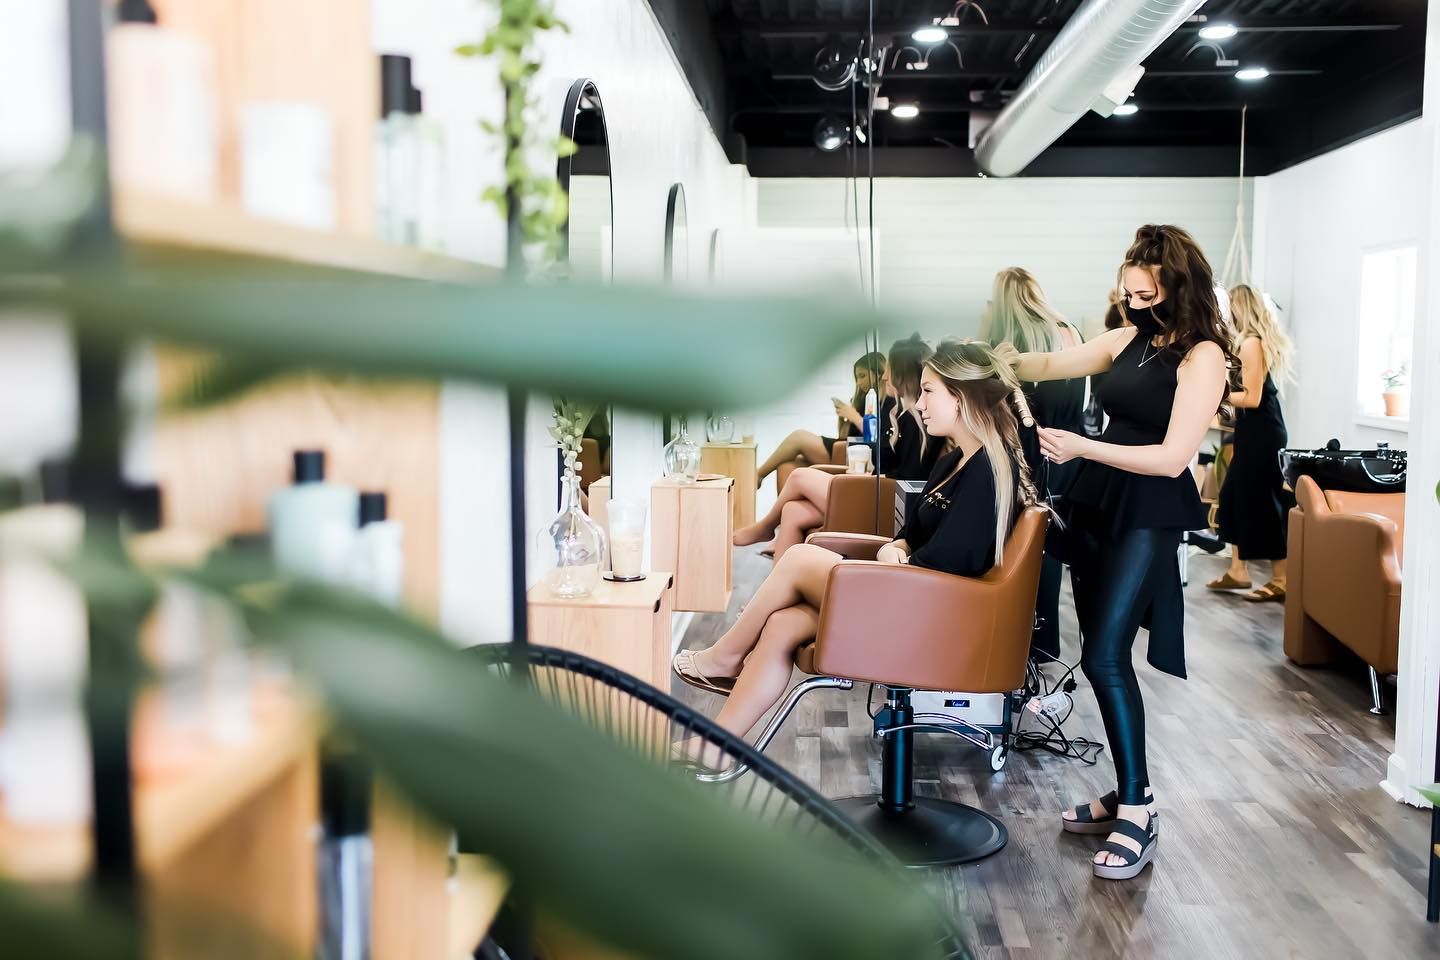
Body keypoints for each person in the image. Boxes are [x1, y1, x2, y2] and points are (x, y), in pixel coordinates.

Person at [673, 339, 1039, 754]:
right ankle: (716, 747)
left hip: (937, 615)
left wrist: (899, 558)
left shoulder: (990, 469)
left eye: (929, 391)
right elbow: (916, 532)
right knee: (783, 625)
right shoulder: (952, 462)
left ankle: (725, 657)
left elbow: (959, 558)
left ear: (962, 397)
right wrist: (896, 547)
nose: (918, 404)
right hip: (915, 593)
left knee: (798, 556)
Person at [1014, 224, 1235, 881]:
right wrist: (989, 356)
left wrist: (1083, 447)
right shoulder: (1127, 337)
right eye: (1129, 288)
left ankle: (1137, 805)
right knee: (1100, 656)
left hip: (1149, 507)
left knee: (1107, 654)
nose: (1134, 298)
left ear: (1176, 280)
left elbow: (1173, 459)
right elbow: (1047, 365)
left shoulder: (1205, 358)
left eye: (1145, 288)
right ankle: (1127, 787)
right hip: (1100, 499)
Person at [733, 336, 940, 560]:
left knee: (799, 476)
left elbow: (909, 476)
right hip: (873, 491)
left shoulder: (916, 419)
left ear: (903, 374)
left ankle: (764, 526)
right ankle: (781, 588)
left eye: (889, 370)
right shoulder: (902, 413)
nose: (885, 376)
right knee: (792, 511)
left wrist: (864, 478)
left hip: (882, 504)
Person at [981, 267, 1085, 661]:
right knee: (1050, 549)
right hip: (1071, 450)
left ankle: (1024, 644)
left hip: (1036, 452)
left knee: (1023, 545)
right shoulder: (1070, 330)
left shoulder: (1016, 343)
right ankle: (1046, 644)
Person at [1208, 284, 1294, 602]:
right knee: (1233, 496)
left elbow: (1253, 397)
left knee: (1262, 501)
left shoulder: (1252, 344)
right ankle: (1238, 570)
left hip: (1263, 432)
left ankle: (1282, 576)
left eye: (1227, 306)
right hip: (1252, 430)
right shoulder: (1244, 343)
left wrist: (1213, 392)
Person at [754, 351, 886, 486]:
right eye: (856, 378)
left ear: (878, 373)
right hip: (842, 447)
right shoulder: (861, 400)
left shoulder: (884, 402)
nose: (858, 382)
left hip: (854, 456)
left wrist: (854, 416)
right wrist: (844, 420)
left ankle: (758, 475)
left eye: (862, 376)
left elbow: (875, 438)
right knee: (787, 465)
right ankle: (783, 506)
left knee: (798, 437)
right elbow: (844, 436)